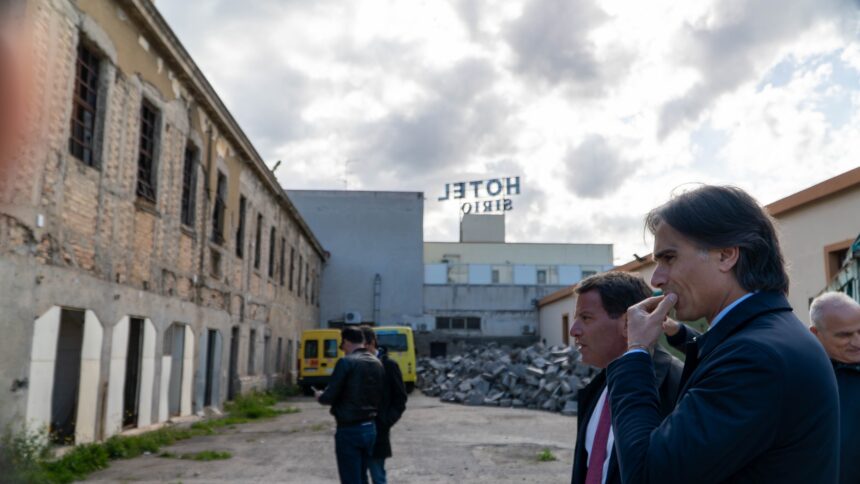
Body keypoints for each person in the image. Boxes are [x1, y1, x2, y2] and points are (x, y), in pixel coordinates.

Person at [606, 185, 839, 484]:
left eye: (669, 258)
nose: (657, 278)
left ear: (726, 255)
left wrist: (637, 351)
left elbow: (646, 475)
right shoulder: (763, 337)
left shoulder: (754, 358)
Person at [569, 272, 682, 484]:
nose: (574, 330)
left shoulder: (677, 387)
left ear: (629, 322)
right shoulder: (601, 385)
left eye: (585, 318)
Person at [316, 326, 385, 484]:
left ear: (346, 341)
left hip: (349, 428)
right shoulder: (377, 362)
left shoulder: (346, 362)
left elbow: (329, 396)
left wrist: (320, 396)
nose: (343, 349)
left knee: (351, 478)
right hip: (370, 427)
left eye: (342, 345)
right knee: (362, 477)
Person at [810, 292, 860, 484]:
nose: (857, 342)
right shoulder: (804, 378)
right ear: (815, 334)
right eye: (844, 335)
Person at [360, 326, 408, 484]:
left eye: (361, 345)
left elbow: (400, 398)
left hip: (378, 430)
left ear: (371, 343)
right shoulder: (353, 365)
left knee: (377, 475)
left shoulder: (389, 365)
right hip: (356, 431)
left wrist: (386, 421)